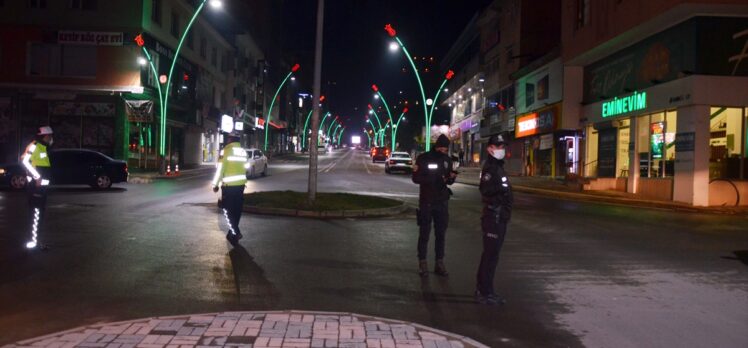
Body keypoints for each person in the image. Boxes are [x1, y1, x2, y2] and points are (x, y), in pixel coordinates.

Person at [475, 134, 513, 305]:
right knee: (490, 256)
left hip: (500, 217)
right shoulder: (491, 168)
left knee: (492, 256)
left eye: (503, 146)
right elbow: (485, 190)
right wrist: (501, 194)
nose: (501, 150)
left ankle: (486, 290)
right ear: (490, 148)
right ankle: (485, 292)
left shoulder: (498, 167)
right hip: (493, 217)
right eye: (498, 147)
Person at [412, 134, 457, 277]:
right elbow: (416, 178)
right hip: (427, 201)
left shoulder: (447, 160)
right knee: (424, 233)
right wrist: (435, 177)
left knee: (441, 234)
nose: (444, 151)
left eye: (446, 149)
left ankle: (439, 262)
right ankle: (423, 263)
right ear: (437, 146)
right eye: (442, 149)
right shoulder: (424, 158)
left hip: (442, 202)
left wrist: (451, 179)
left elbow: (448, 181)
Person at [212, 134, 249, 247]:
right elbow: (246, 167)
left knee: (227, 211)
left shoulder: (226, 151)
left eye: (228, 138)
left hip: (229, 186)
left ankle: (236, 232)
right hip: (241, 186)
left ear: (230, 140)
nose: (227, 140)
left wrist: (215, 184)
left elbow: (220, 169)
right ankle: (232, 234)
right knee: (237, 210)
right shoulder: (243, 152)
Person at [21, 126, 54, 250]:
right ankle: (33, 243)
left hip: (42, 189)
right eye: (50, 136)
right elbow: (24, 161)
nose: (51, 138)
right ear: (44, 136)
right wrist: (37, 177)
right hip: (35, 188)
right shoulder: (34, 145)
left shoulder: (43, 148)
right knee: (35, 215)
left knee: (38, 215)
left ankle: (37, 242)